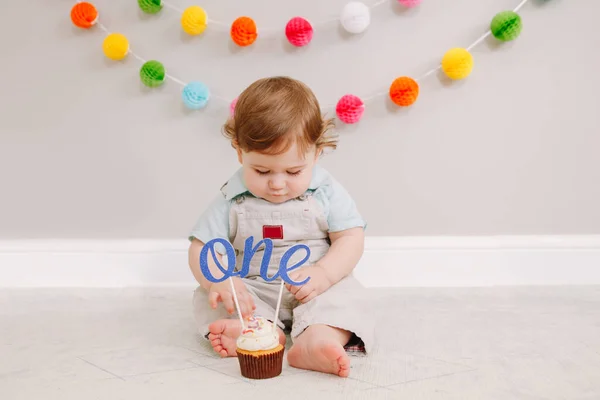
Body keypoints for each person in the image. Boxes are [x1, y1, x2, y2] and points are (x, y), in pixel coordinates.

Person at [187, 76, 374, 378]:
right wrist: (220, 280)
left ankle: (319, 337)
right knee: (212, 299)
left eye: (293, 171)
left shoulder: (325, 192)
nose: (276, 184)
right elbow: (201, 247)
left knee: (347, 298)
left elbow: (350, 237)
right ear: (239, 152)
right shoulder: (230, 197)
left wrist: (325, 274)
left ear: (316, 152)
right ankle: (257, 333)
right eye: (261, 170)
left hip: (314, 287)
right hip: (253, 291)